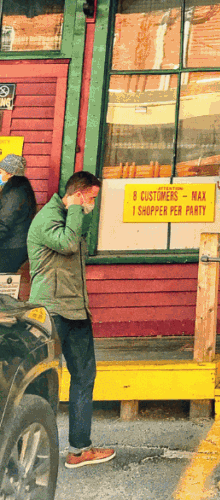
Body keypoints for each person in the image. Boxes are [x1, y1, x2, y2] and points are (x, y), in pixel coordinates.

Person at [27, 170, 116, 470]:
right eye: (91, 198)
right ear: (78, 194)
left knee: (84, 378)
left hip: (76, 311)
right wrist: (77, 208)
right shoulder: (47, 218)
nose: (93, 204)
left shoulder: (70, 217)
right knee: (40, 383)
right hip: (50, 311)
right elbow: (66, 244)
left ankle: (79, 450)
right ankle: (30, 449)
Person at [0, 153, 37, 274]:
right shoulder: (20, 189)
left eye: (1, 172)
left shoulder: (14, 194)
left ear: (10, 174)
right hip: (15, 245)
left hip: (11, 247)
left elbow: (4, 223)